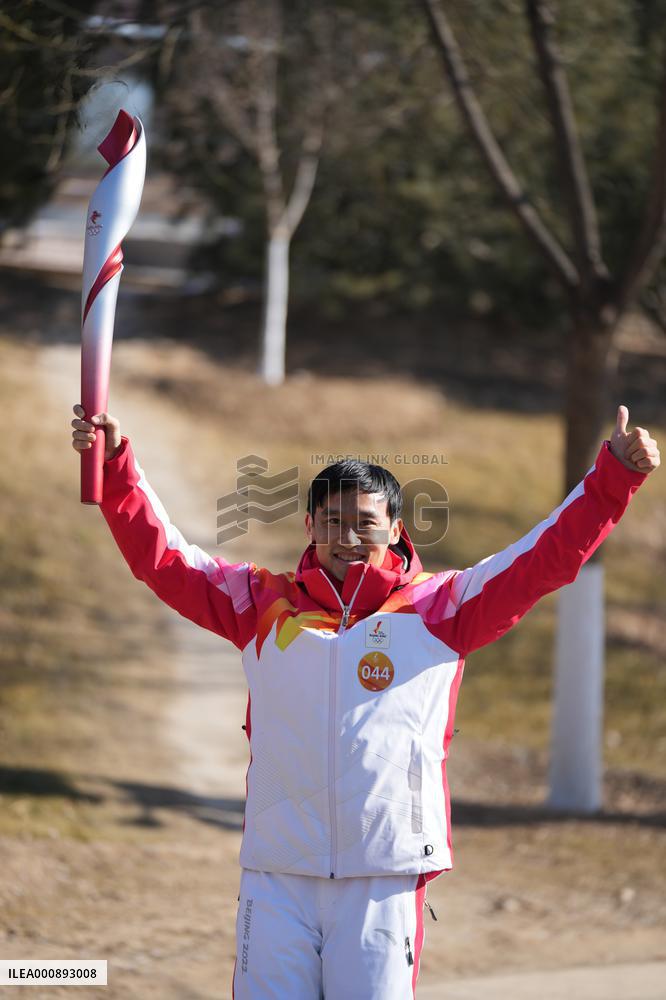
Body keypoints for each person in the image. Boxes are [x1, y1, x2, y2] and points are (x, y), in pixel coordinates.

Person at [71, 401, 659, 999]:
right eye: (331, 521)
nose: (347, 538)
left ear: (396, 530)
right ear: (309, 526)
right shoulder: (260, 603)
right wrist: (117, 467)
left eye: (365, 523)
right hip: (279, 876)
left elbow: (543, 560)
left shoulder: (441, 608)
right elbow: (164, 559)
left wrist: (611, 477)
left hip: (384, 874)